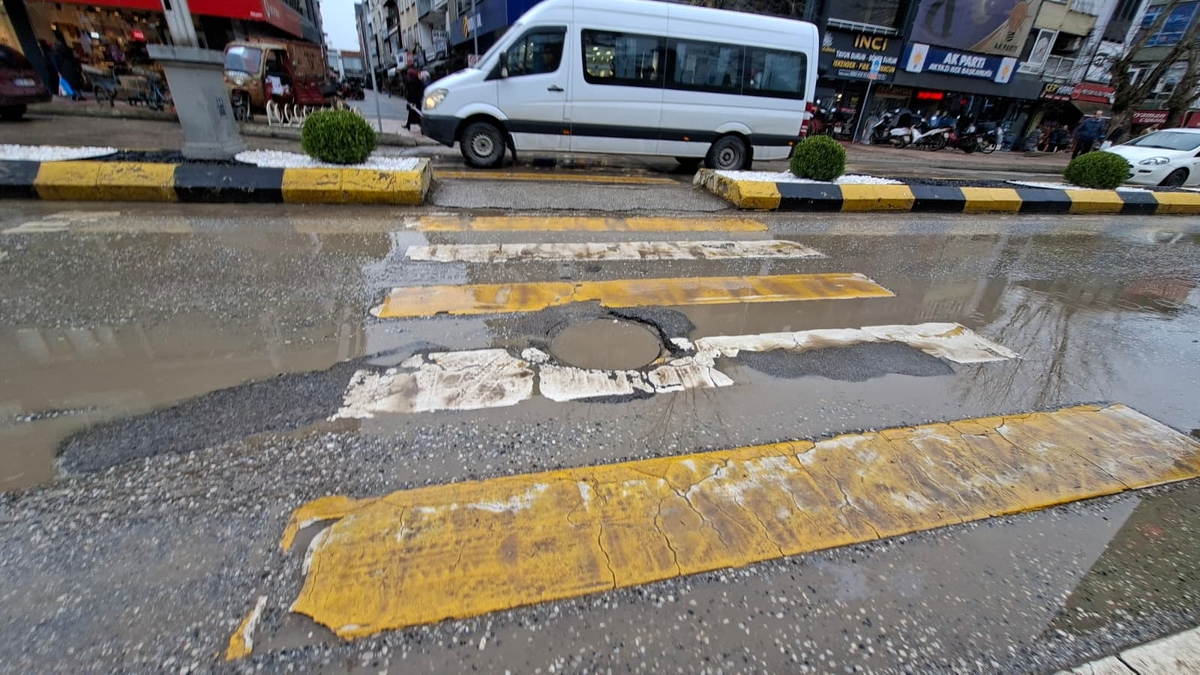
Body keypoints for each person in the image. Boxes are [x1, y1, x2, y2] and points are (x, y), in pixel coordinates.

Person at [53, 33, 85, 101]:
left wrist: (59, 71)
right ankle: (79, 95)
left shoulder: (56, 53)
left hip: (64, 69)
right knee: (76, 81)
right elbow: (74, 59)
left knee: (69, 83)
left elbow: (56, 63)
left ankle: (74, 95)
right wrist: (78, 67)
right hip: (71, 67)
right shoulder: (68, 50)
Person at [404, 67, 424, 131]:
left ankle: (422, 127)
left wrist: (412, 101)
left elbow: (412, 92)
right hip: (416, 100)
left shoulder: (412, 82)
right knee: (412, 113)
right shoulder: (418, 80)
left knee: (417, 114)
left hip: (414, 100)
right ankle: (408, 125)